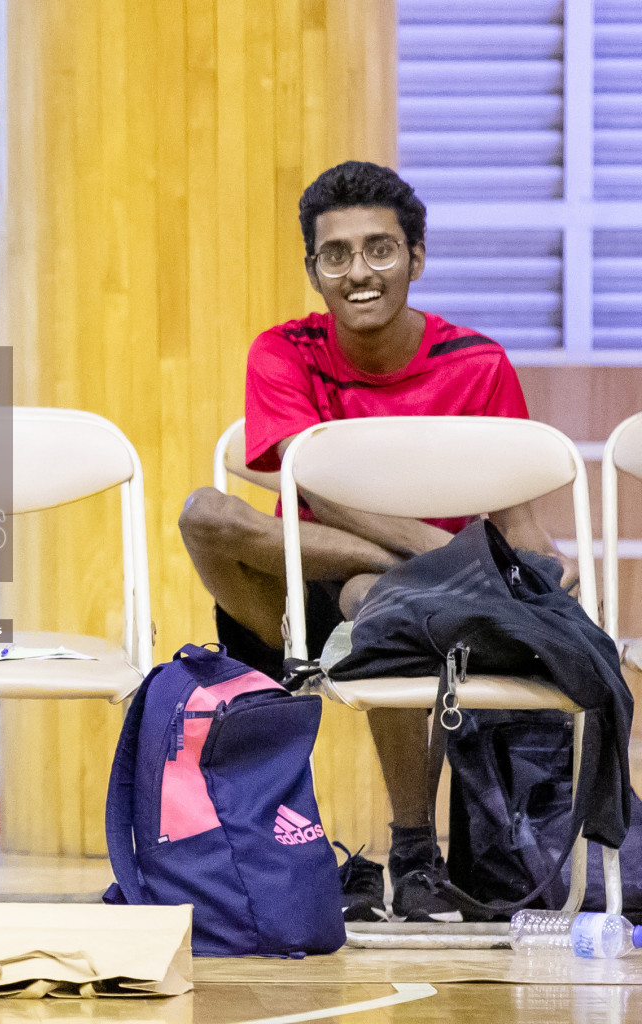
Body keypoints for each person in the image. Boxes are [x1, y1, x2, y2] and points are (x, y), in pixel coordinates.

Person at [177, 161, 570, 925]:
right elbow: (315, 490)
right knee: (206, 513)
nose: (359, 271)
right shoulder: (284, 351)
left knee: (379, 601)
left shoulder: (477, 364)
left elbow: (519, 519)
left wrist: (548, 584)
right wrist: (434, 549)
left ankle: (414, 854)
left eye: (380, 250)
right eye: (337, 254)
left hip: (430, 612)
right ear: (313, 269)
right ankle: (302, 848)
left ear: (415, 259)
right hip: (308, 580)